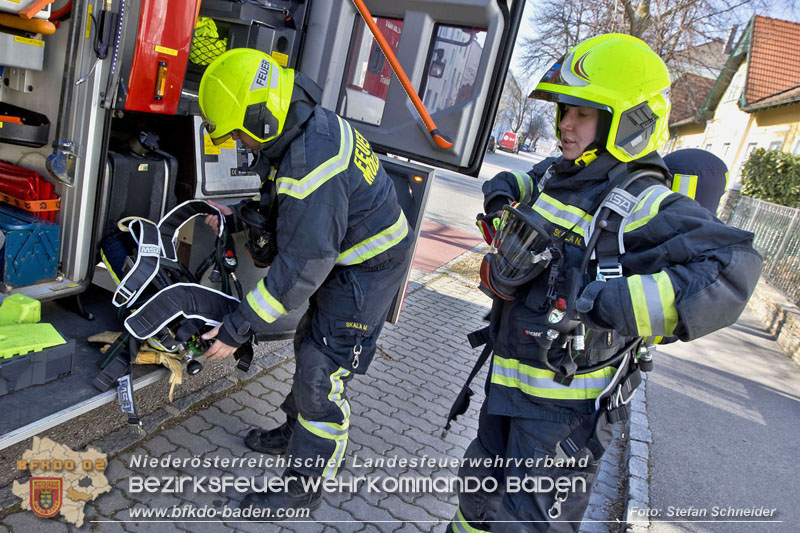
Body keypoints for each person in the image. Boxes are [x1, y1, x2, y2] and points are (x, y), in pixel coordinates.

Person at [451, 34, 762, 532]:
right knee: (477, 499)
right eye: (563, 109)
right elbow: (519, 184)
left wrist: (616, 303)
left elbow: (733, 266)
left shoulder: (643, 202)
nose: (565, 124)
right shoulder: (562, 173)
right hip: (507, 386)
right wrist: (500, 201)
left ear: (629, 122)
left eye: (583, 113)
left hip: (563, 416)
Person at [197, 48, 412, 514]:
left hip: (368, 269)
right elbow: (293, 211)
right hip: (350, 256)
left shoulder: (310, 162)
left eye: (239, 136)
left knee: (321, 368)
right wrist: (239, 219)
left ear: (259, 118)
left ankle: (304, 485)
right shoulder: (302, 124)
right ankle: (294, 434)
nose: (241, 147)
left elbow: (300, 268)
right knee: (308, 342)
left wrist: (236, 329)